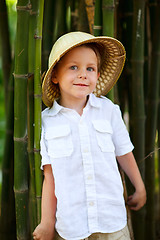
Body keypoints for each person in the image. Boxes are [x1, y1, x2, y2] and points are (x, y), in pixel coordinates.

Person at [33, 31, 146, 240]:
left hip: (112, 220)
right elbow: (49, 176)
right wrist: (47, 222)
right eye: (73, 67)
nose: (83, 74)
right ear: (55, 75)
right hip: (70, 225)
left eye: (90, 68)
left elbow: (124, 152)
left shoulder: (109, 111)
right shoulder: (46, 121)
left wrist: (139, 186)